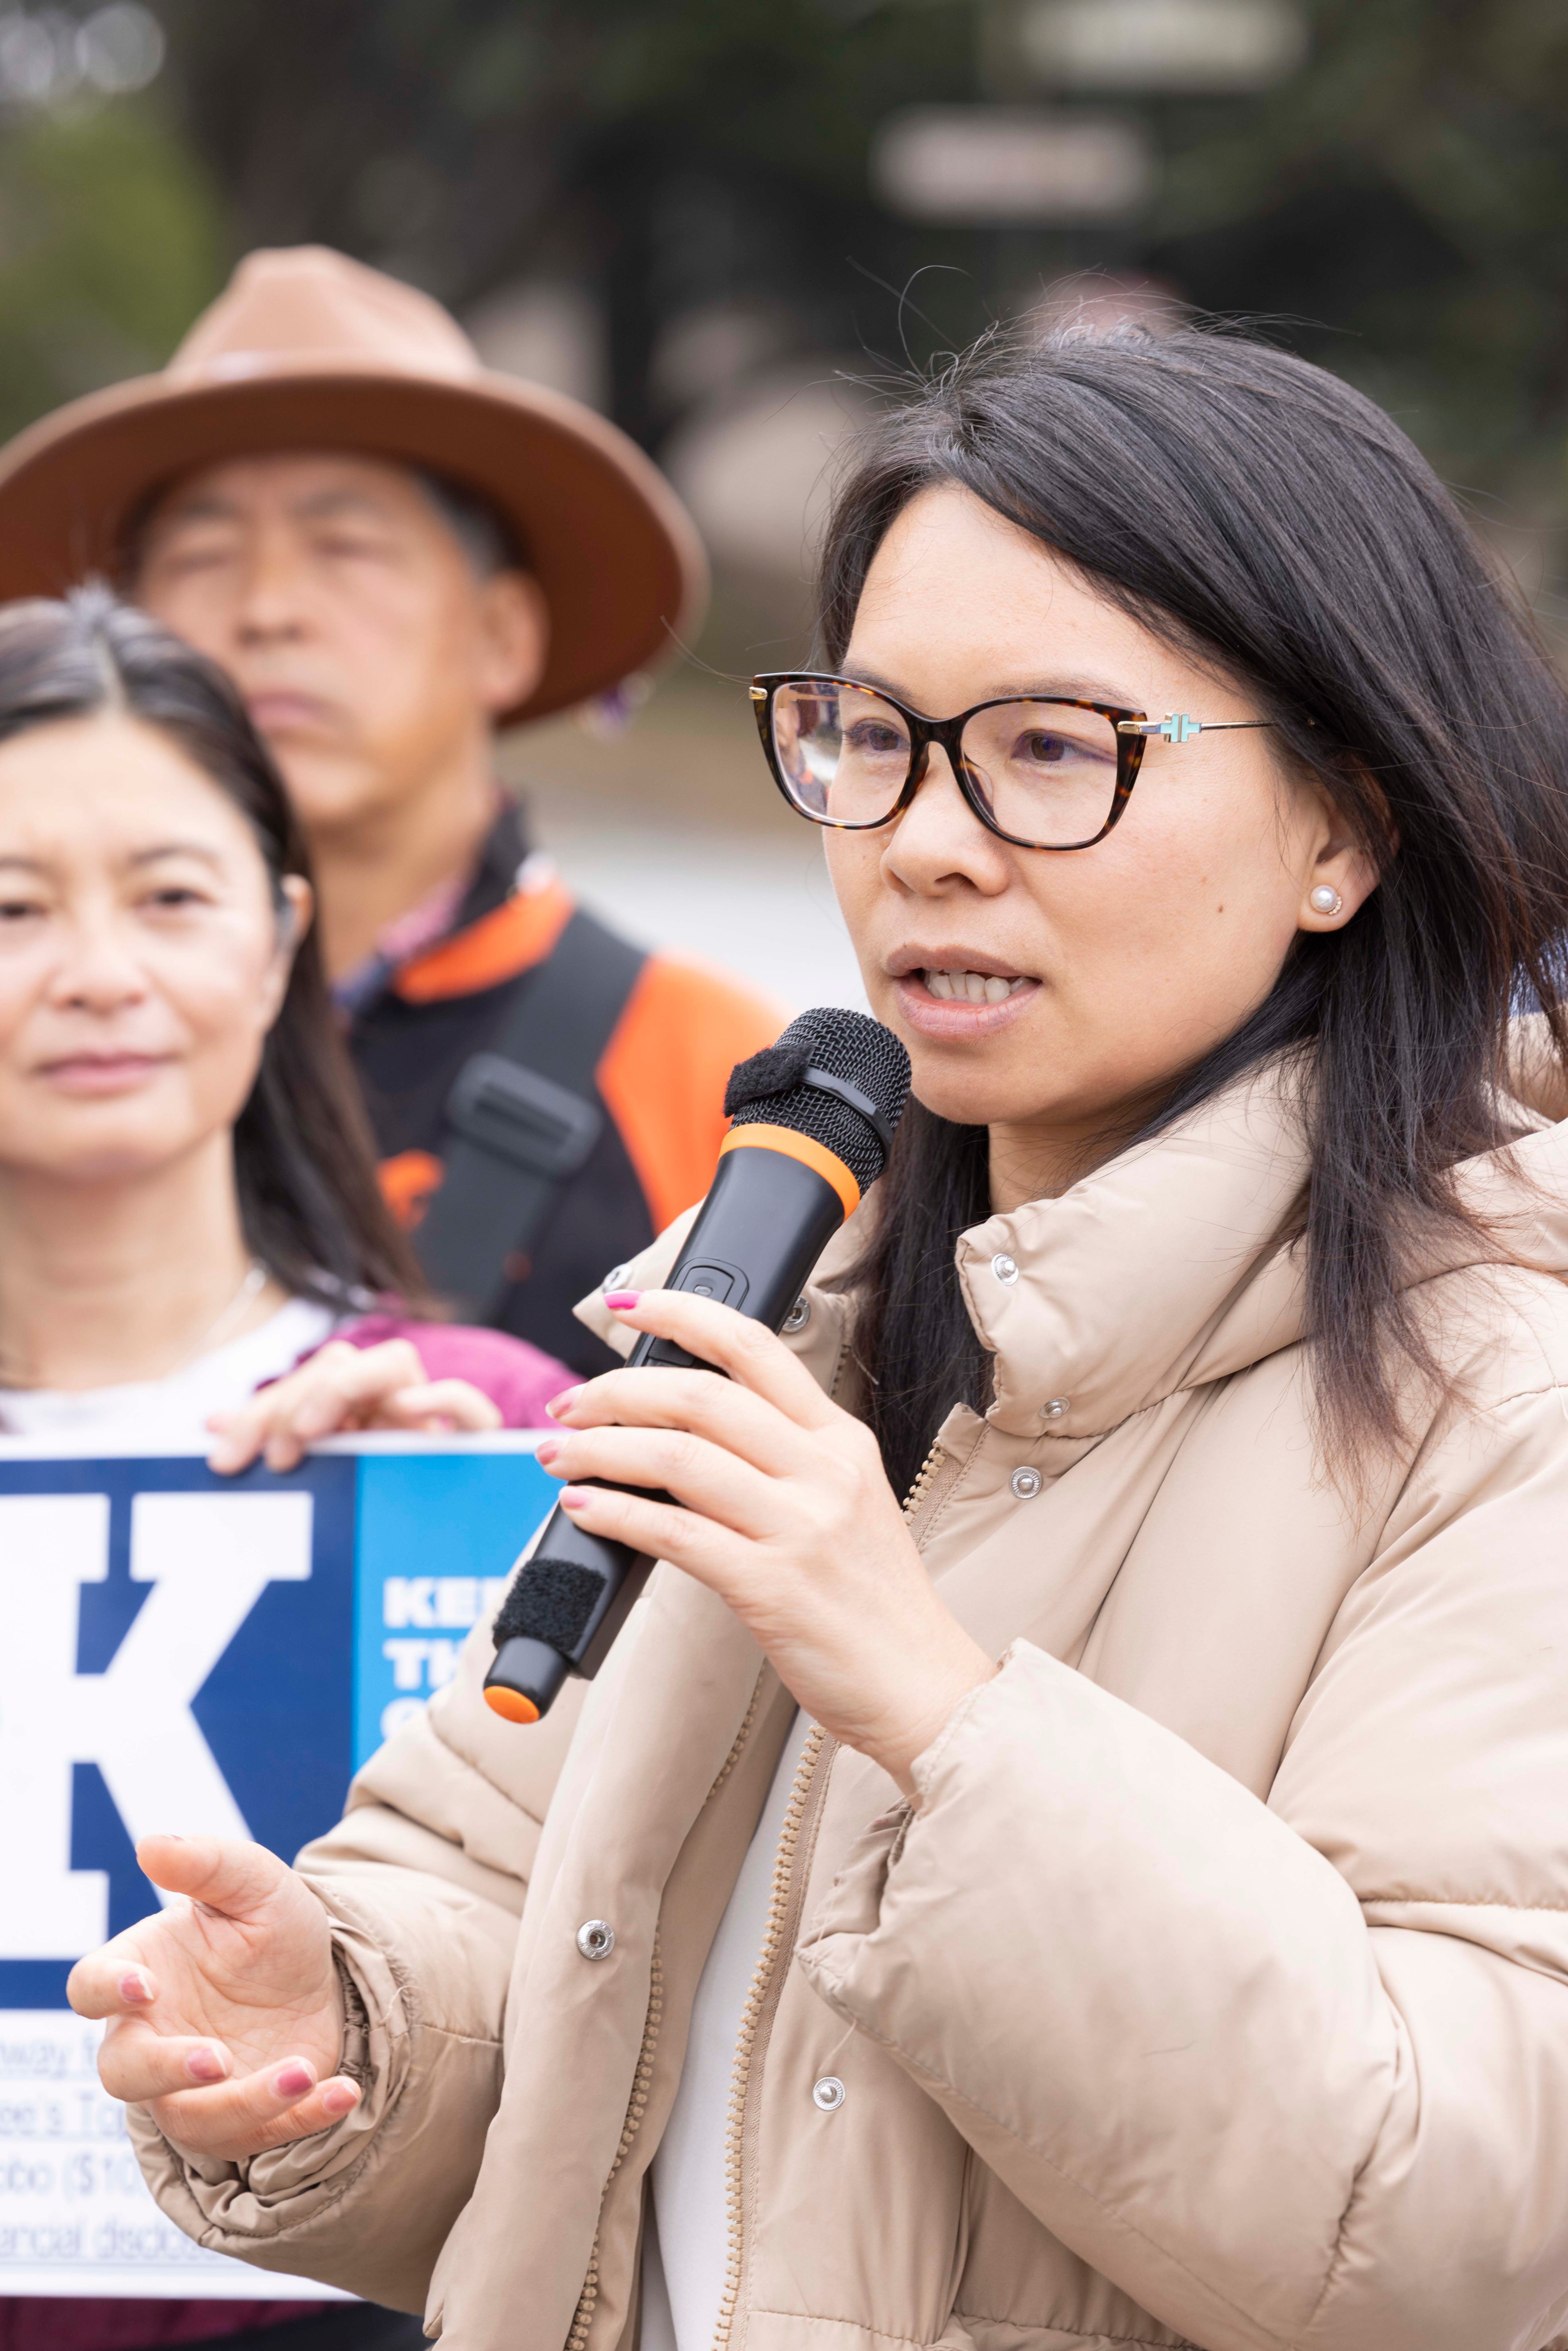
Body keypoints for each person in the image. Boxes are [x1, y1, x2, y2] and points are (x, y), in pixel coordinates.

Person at [67, 321, 1568, 2351]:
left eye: (1056, 749)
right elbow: (508, 1904)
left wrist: (941, 1723)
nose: (925, 839)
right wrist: (333, 2024)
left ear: (1346, 828)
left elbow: (1456, 2220)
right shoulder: (774, 1289)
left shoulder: (1508, 1389)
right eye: (872, 736)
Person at [0, 586, 569, 2351]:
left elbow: (622, 2011)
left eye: (170, 896)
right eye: (12, 908)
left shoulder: (470, 1424)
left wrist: (495, 1554)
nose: (100, 970)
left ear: (277, 937)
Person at [0, 245, 781, 1379]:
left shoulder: (710, 1075)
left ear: (504, 634)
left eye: (345, 548)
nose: (269, 610)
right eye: (206, 553)